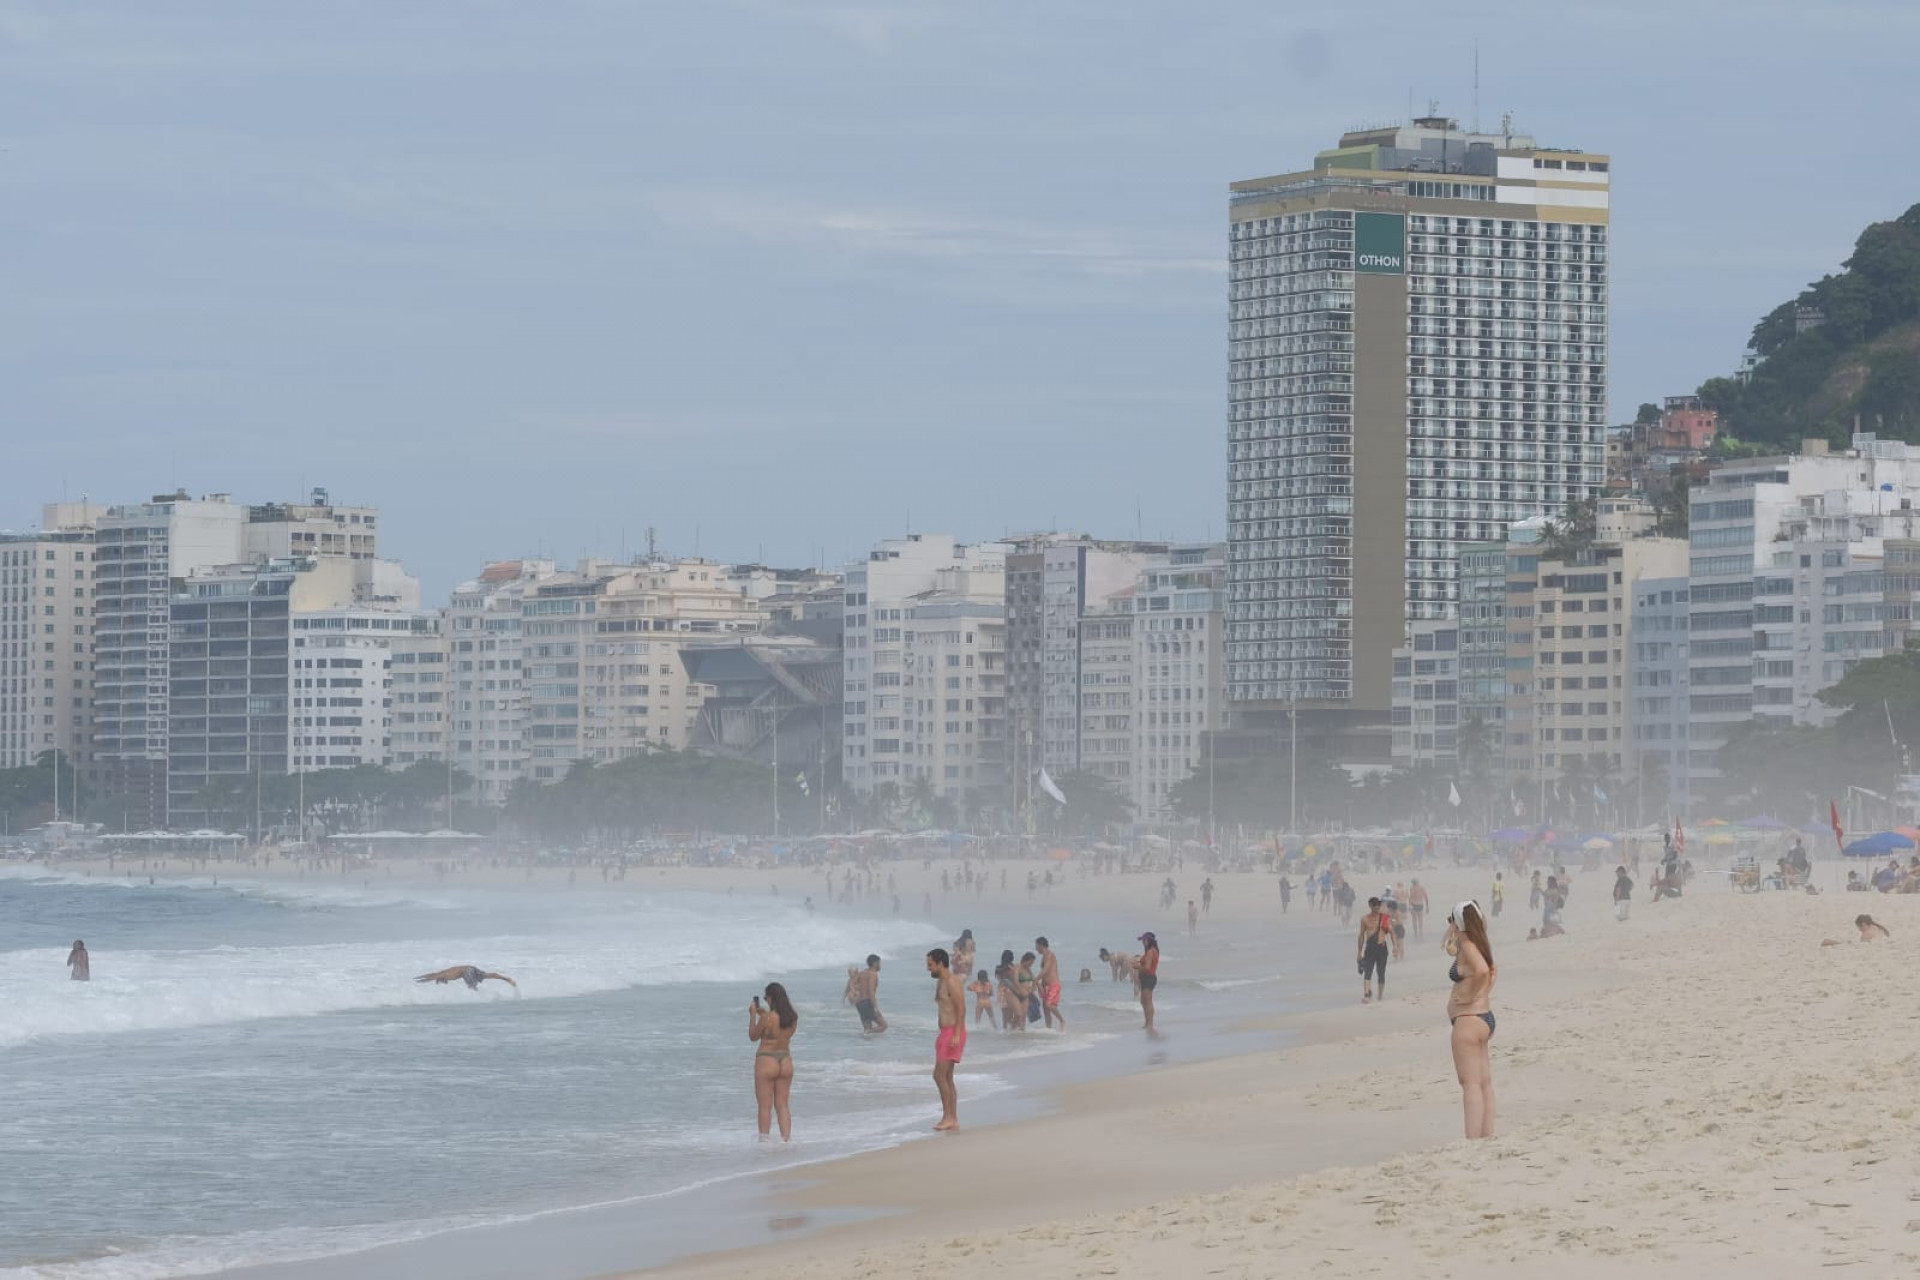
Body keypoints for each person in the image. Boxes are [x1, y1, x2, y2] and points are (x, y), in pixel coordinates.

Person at [1445, 900, 1497, 1140]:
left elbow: (1483, 971)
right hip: (1482, 1018)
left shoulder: (1468, 944)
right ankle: (1486, 1136)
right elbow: (1449, 948)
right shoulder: (1479, 940)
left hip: (1468, 1019)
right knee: (1483, 1082)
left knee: (1470, 1084)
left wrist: (1468, 994)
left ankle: (1473, 1139)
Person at [749, 983, 798, 1141]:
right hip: (785, 1060)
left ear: (771, 998)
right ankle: (786, 1140)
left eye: (766, 998)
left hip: (766, 1060)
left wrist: (752, 1015)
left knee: (765, 1106)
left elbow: (753, 1036)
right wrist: (764, 1014)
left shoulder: (766, 1018)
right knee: (782, 1105)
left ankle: (764, 1142)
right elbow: (779, 1030)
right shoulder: (792, 1018)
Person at [927, 948, 965, 1131]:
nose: (928, 969)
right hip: (945, 1033)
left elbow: (961, 1008)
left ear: (940, 963)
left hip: (952, 1033)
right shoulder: (941, 982)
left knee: (939, 1075)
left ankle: (948, 1117)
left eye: (930, 964)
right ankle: (952, 1118)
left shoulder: (951, 981)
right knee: (947, 1077)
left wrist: (957, 1034)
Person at [1356, 897, 1392, 1004]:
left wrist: (1395, 946)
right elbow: (1361, 935)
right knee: (1368, 971)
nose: (1377, 906)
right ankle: (1367, 995)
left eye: (1379, 904)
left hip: (1381, 948)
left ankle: (1380, 996)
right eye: (1375, 904)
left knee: (1381, 973)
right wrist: (1359, 952)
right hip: (1370, 948)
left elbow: (1391, 931)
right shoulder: (1365, 919)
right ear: (1370, 905)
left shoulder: (1384, 918)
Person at [1035, 936, 1066, 1030]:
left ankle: (1062, 1020)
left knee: (1049, 1005)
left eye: (1036, 946)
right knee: (1046, 1010)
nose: (1036, 948)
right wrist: (1040, 984)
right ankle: (1049, 1029)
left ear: (1041, 945)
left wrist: (1036, 979)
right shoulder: (1044, 956)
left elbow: (1045, 970)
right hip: (1046, 986)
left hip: (1053, 984)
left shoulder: (1050, 955)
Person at [1133, 931, 1160, 1032]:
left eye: (1145, 940)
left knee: (1147, 1002)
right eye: (1142, 940)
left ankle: (1149, 1024)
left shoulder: (1150, 952)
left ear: (1150, 940)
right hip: (1147, 978)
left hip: (1148, 978)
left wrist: (1136, 966)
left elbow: (1147, 967)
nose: (1143, 942)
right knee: (1144, 1001)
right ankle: (1147, 1023)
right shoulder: (1152, 951)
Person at [415, 964, 516, 990]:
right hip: (469, 967)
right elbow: (431, 975)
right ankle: (508, 979)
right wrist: (418, 978)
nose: (444, 983)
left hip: (467, 971)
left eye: (441, 982)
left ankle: (480, 999)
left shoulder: (444, 975)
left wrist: (419, 982)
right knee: (487, 975)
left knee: (472, 988)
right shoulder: (443, 973)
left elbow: (431, 977)